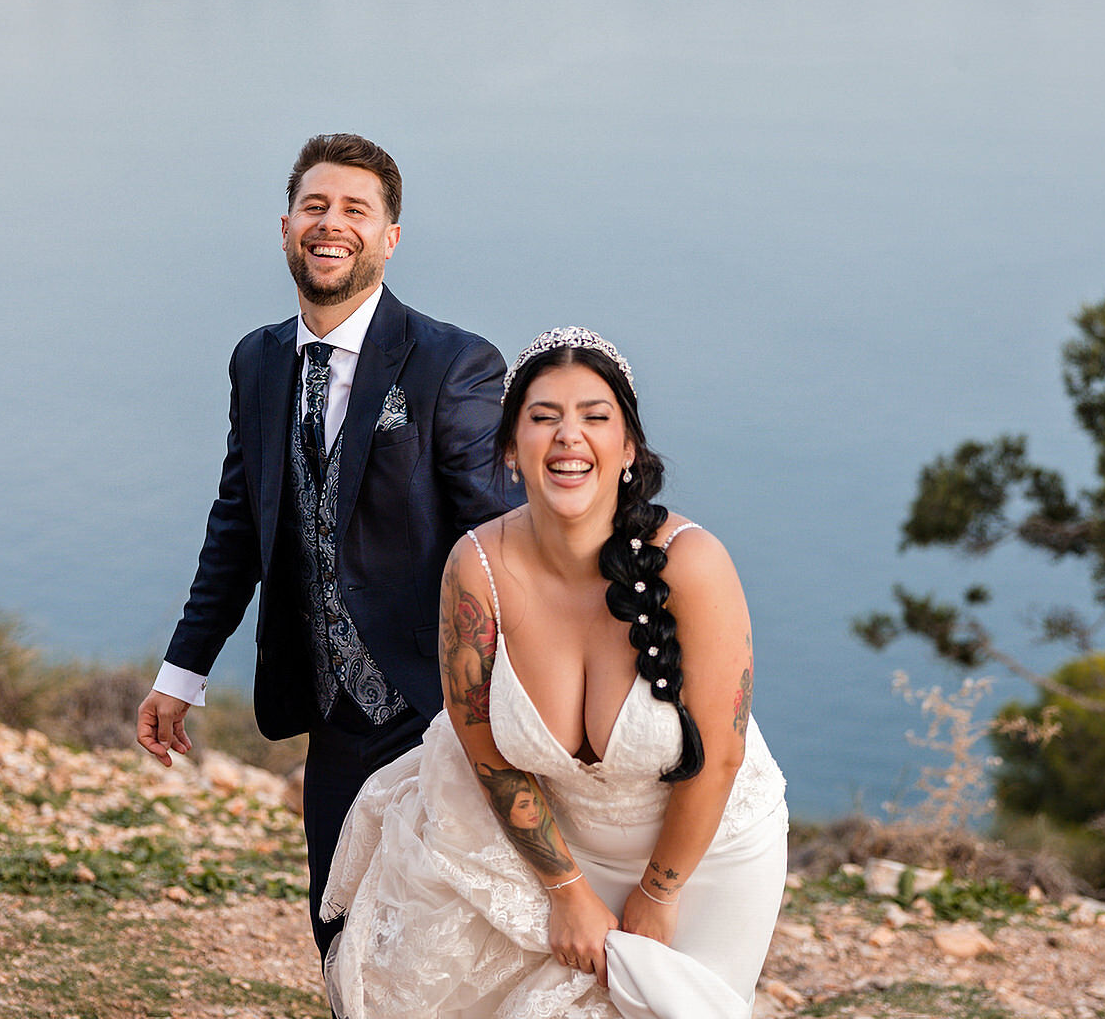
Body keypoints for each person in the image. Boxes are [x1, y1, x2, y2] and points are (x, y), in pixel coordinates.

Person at [321, 328, 788, 1019]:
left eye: (595, 417)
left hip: (704, 858)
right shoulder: (476, 569)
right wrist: (566, 890)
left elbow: (719, 759)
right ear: (512, 449)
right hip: (552, 854)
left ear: (628, 449)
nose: (570, 437)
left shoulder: (694, 565)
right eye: (544, 418)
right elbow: (485, 750)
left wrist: (659, 896)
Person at [136, 133, 520, 960]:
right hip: (335, 717)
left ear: (390, 237)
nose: (330, 223)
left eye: (356, 209)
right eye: (315, 206)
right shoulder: (258, 360)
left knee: (444, 941)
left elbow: (503, 543)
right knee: (340, 932)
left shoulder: (453, 363)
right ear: (285, 228)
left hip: (440, 713)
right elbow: (237, 524)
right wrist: (182, 673)